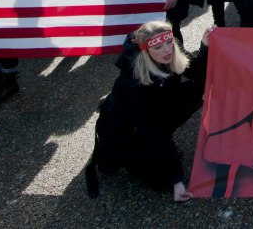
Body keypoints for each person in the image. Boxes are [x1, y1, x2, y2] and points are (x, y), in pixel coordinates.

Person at [86, 20, 210, 201]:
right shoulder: (135, 83)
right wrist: (177, 180)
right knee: (162, 181)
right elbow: (153, 131)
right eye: (158, 47)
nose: (167, 50)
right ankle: (111, 156)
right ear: (146, 51)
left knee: (202, 87)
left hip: (152, 111)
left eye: (169, 43)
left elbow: (198, 72)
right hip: (122, 130)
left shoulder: (170, 52)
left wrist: (204, 45)